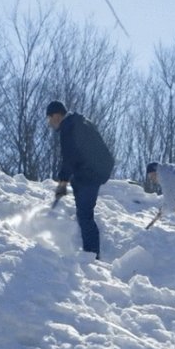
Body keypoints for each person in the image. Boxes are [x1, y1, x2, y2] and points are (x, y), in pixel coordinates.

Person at [46, 100, 115, 259]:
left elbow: (70, 156)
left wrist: (62, 182)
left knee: (84, 215)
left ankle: (92, 256)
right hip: (93, 171)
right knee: (81, 198)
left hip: (91, 172)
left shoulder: (68, 127)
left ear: (56, 116)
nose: (49, 123)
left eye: (49, 118)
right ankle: (91, 253)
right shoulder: (78, 122)